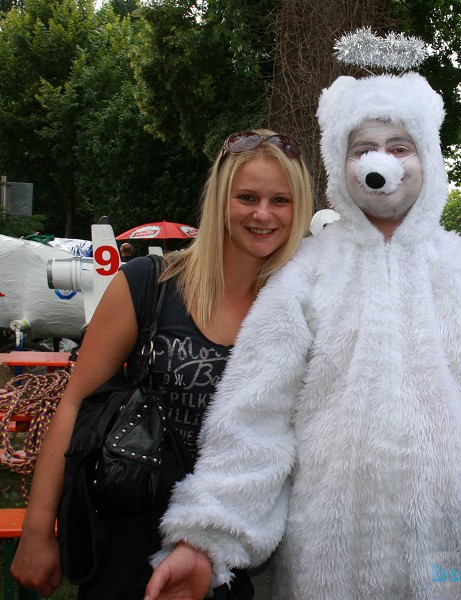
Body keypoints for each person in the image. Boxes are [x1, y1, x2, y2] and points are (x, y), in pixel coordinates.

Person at [145, 73, 461, 600]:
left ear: (427, 156)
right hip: (327, 566)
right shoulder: (306, 274)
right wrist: (206, 539)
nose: (378, 161)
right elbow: (254, 420)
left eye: (398, 146)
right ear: (339, 160)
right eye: (362, 147)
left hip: (448, 561)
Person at [11, 129, 313, 599]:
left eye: (281, 200)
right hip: (126, 536)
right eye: (247, 197)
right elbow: (72, 405)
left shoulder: (303, 307)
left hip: (229, 551)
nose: (262, 214)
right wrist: (35, 531)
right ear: (220, 199)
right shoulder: (149, 284)